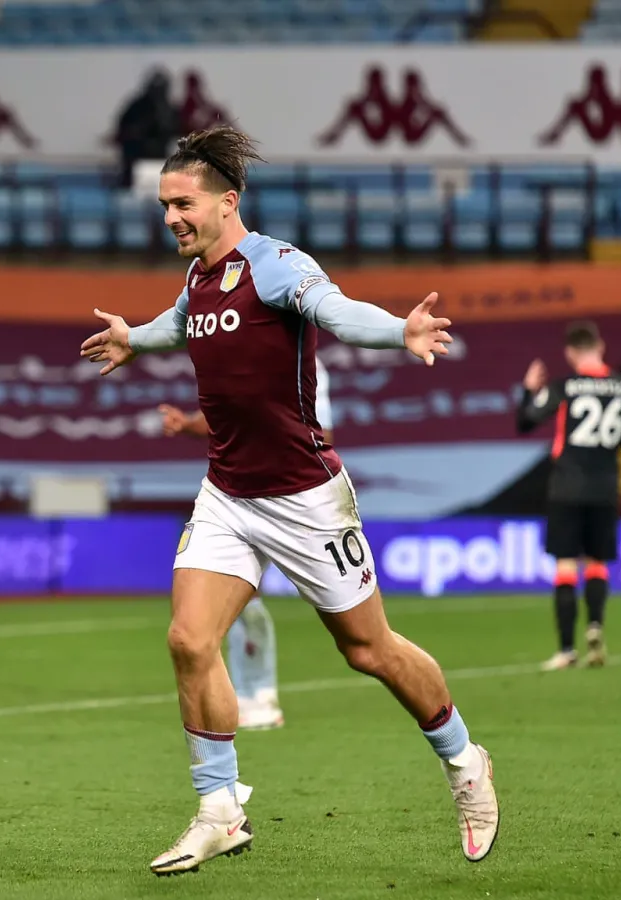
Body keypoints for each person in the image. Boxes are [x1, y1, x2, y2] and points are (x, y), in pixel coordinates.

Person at [81, 125, 498, 875]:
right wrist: (133, 339)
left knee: (368, 650)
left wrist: (398, 330)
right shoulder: (198, 279)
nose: (170, 217)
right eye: (164, 206)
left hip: (306, 497)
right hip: (227, 493)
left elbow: (336, 311)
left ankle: (465, 761)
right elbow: (180, 325)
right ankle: (219, 811)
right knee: (189, 640)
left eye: (182, 204)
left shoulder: (275, 265)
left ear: (227, 201)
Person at [158, 357, 336, 731]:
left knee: (359, 634)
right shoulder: (237, 347)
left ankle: (256, 693)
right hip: (238, 497)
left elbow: (324, 435)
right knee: (237, 597)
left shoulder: (301, 360)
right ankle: (254, 695)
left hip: (291, 496)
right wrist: (187, 424)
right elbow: (224, 416)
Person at [517, 321, 621, 671]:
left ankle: (565, 650)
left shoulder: (565, 387)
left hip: (567, 487)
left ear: (570, 353)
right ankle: (595, 626)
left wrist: (528, 390)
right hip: (605, 488)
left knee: (565, 565)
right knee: (597, 562)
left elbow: (526, 421)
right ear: (600, 346)